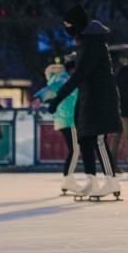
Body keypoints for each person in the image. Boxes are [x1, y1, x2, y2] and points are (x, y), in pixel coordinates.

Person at [48, 4, 123, 200]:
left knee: (98, 139)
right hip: (89, 95)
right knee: (85, 138)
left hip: (100, 97)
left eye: (68, 25)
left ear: (77, 24)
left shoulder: (93, 43)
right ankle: (92, 179)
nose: (67, 29)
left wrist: (58, 97)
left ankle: (111, 180)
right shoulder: (84, 43)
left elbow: (79, 74)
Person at [33, 55, 82, 194]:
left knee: (75, 149)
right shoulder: (64, 78)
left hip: (65, 117)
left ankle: (68, 181)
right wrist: (39, 97)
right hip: (69, 117)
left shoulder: (62, 77)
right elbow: (53, 88)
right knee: (75, 149)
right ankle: (68, 180)